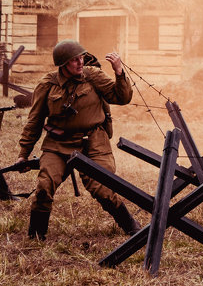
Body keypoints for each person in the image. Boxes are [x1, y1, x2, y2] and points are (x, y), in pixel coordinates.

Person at [13, 39, 139, 240]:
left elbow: (122, 97)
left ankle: (132, 228)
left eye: (81, 57)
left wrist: (119, 72)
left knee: (103, 189)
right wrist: (23, 154)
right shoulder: (47, 85)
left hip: (93, 142)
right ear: (63, 64)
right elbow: (34, 121)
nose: (80, 62)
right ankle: (36, 236)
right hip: (58, 144)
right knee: (44, 187)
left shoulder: (93, 75)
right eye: (74, 60)